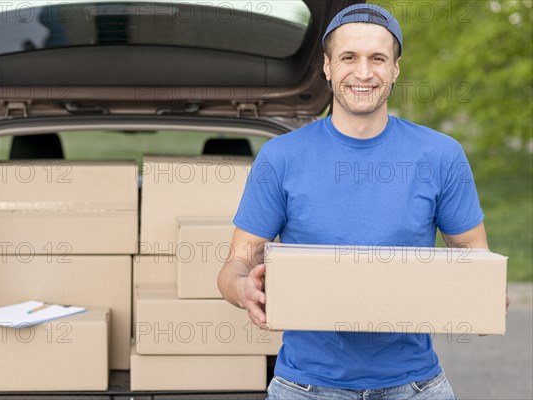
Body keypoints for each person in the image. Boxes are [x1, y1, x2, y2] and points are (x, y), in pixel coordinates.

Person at [217, 4, 509, 400]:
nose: (364, 72)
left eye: (378, 58)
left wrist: (486, 295)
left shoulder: (441, 155)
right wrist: (242, 288)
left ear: (396, 69)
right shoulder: (281, 158)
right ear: (327, 66)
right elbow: (235, 264)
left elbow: (475, 255)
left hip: (414, 384)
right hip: (304, 385)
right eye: (349, 57)